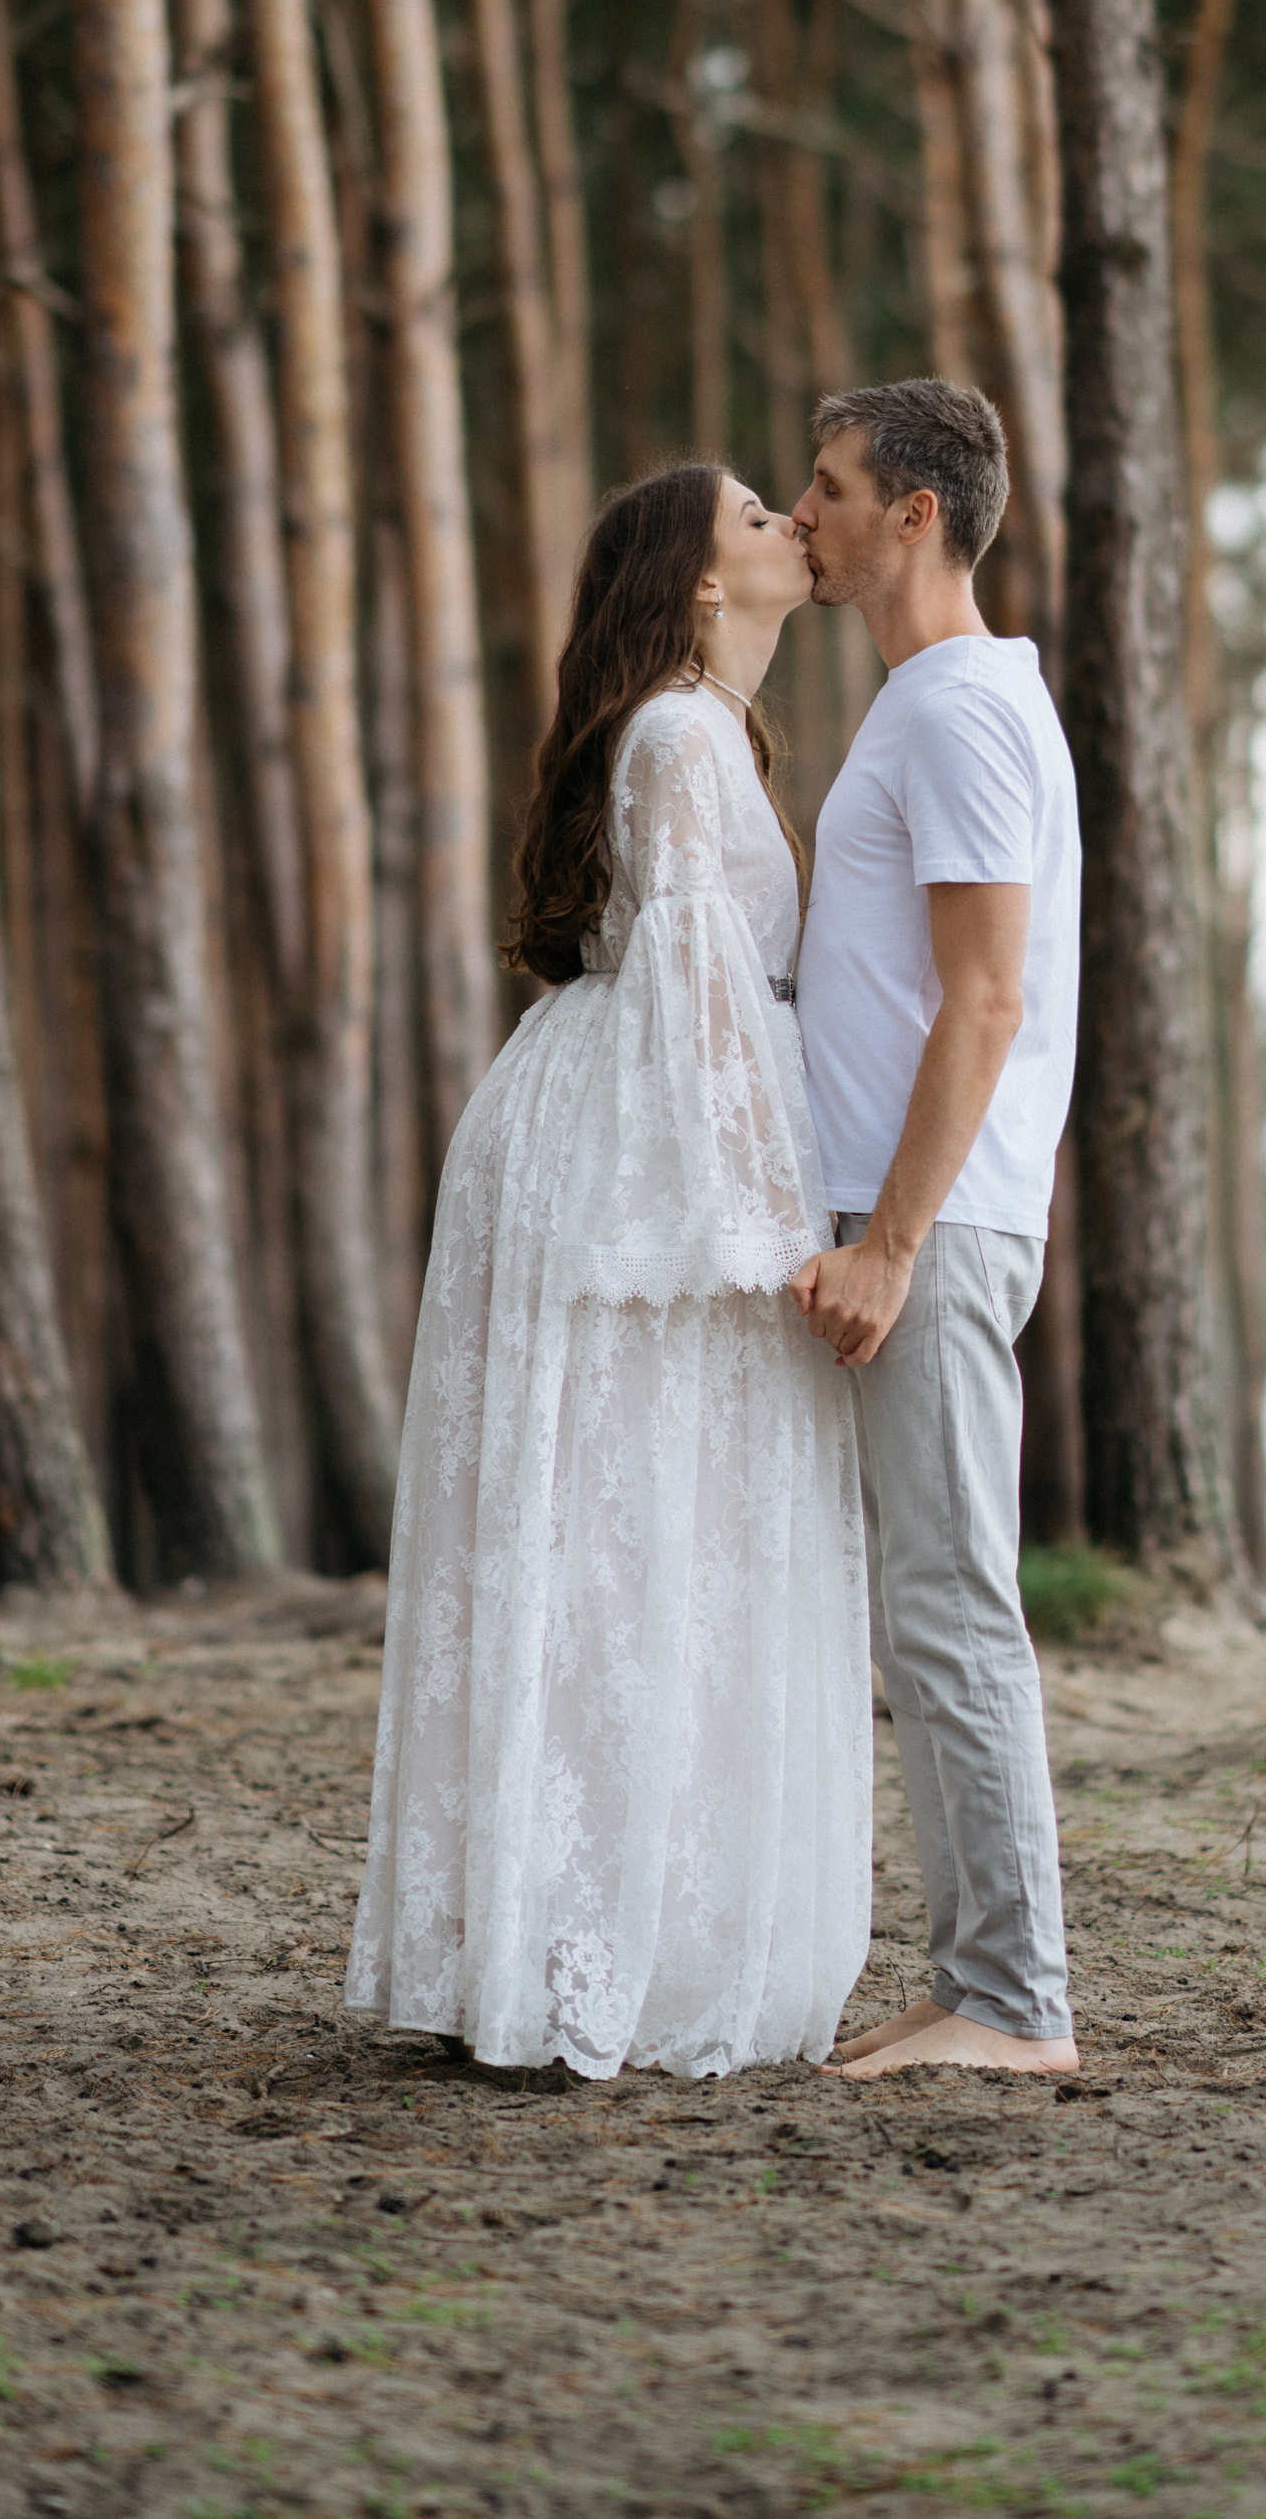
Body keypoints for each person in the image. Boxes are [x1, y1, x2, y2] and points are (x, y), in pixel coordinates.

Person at [346, 468, 869, 2079]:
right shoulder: (675, 735)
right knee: (628, 1525)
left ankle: (600, 1916)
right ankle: (581, 1932)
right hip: (641, 1158)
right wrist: (779, 1227)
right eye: (760, 517)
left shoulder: (708, 729)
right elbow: (702, 991)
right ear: (703, 585)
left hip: (625, 1123)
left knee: (638, 1529)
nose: (794, 523)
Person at [789, 379, 1081, 2080]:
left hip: (940, 1223)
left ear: (913, 514)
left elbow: (983, 1001)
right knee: (922, 1600)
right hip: (902, 1213)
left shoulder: (963, 709)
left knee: (955, 1599)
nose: (803, 512)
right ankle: (975, 1977)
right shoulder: (931, 705)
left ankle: (1012, 2000)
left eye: (828, 488)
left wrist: (892, 1241)